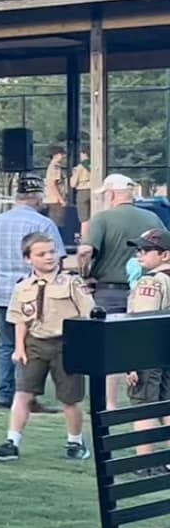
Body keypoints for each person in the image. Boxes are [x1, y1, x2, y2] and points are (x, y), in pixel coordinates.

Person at [0, 232, 93, 463]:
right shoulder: (23, 286)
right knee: (23, 393)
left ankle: (75, 441)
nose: (49, 257)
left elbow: (88, 313)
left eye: (52, 252)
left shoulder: (71, 282)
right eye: (41, 254)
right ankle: (12, 442)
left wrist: (85, 345)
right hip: (35, 343)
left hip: (67, 343)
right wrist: (19, 348)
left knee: (69, 398)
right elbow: (20, 320)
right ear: (28, 259)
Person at [0, 177, 63, 410]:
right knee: (31, 345)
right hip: (34, 295)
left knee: (5, 345)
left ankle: (5, 394)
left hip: (1, 292)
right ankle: (26, 396)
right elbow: (56, 260)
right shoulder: (43, 224)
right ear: (38, 198)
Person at [78, 173, 165, 317]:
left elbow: (85, 252)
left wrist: (84, 276)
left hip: (109, 292)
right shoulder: (153, 218)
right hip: (146, 289)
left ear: (111, 194)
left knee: (108, 330)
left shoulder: (102, 218)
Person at [123, 228, 170, 468]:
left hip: (149, 353)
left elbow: (141, 323)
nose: (139, 254)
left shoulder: (150, 281)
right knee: (166, 405)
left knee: (143, 407)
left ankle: (144, 462)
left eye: (146, 250)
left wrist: (132, 361)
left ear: (165, 255)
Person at [45, 148, 73, 241]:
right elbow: (53, 185)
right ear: (56, 155)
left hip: (54, 199)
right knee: (57, 224)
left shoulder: (55, 166)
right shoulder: (55, 167)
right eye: (62, 154)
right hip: (55, 200)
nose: (64, 157)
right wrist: (61, 199)